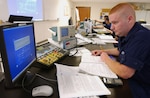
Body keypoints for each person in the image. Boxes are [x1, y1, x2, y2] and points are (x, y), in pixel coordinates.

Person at [92, 3, 150, 98]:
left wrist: (105, 58)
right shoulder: (125, 34)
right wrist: (104, 51)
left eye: (115, 23)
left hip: (143, 87)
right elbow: (120, 50)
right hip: (134, 80)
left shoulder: (141, 37)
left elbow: (125, 72)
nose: (111, 27)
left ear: (129, 19)